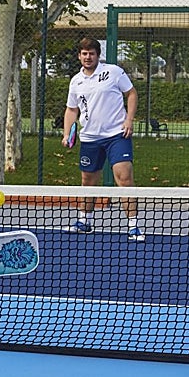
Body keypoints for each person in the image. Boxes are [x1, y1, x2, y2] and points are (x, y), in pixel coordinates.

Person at [62, 36, 143, 241]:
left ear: (98, 55)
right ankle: (84, 220)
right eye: (84, 53)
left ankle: (133, 226)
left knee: (124, 177)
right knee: (87, 181)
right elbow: (72, 109)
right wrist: (66, 133)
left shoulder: (113, 72)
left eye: (91, 53)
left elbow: (132, 93)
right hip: (90, 138)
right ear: (79, 56)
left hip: (117, 135)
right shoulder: (76, 81)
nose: (88, 57)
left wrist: (129, 120)